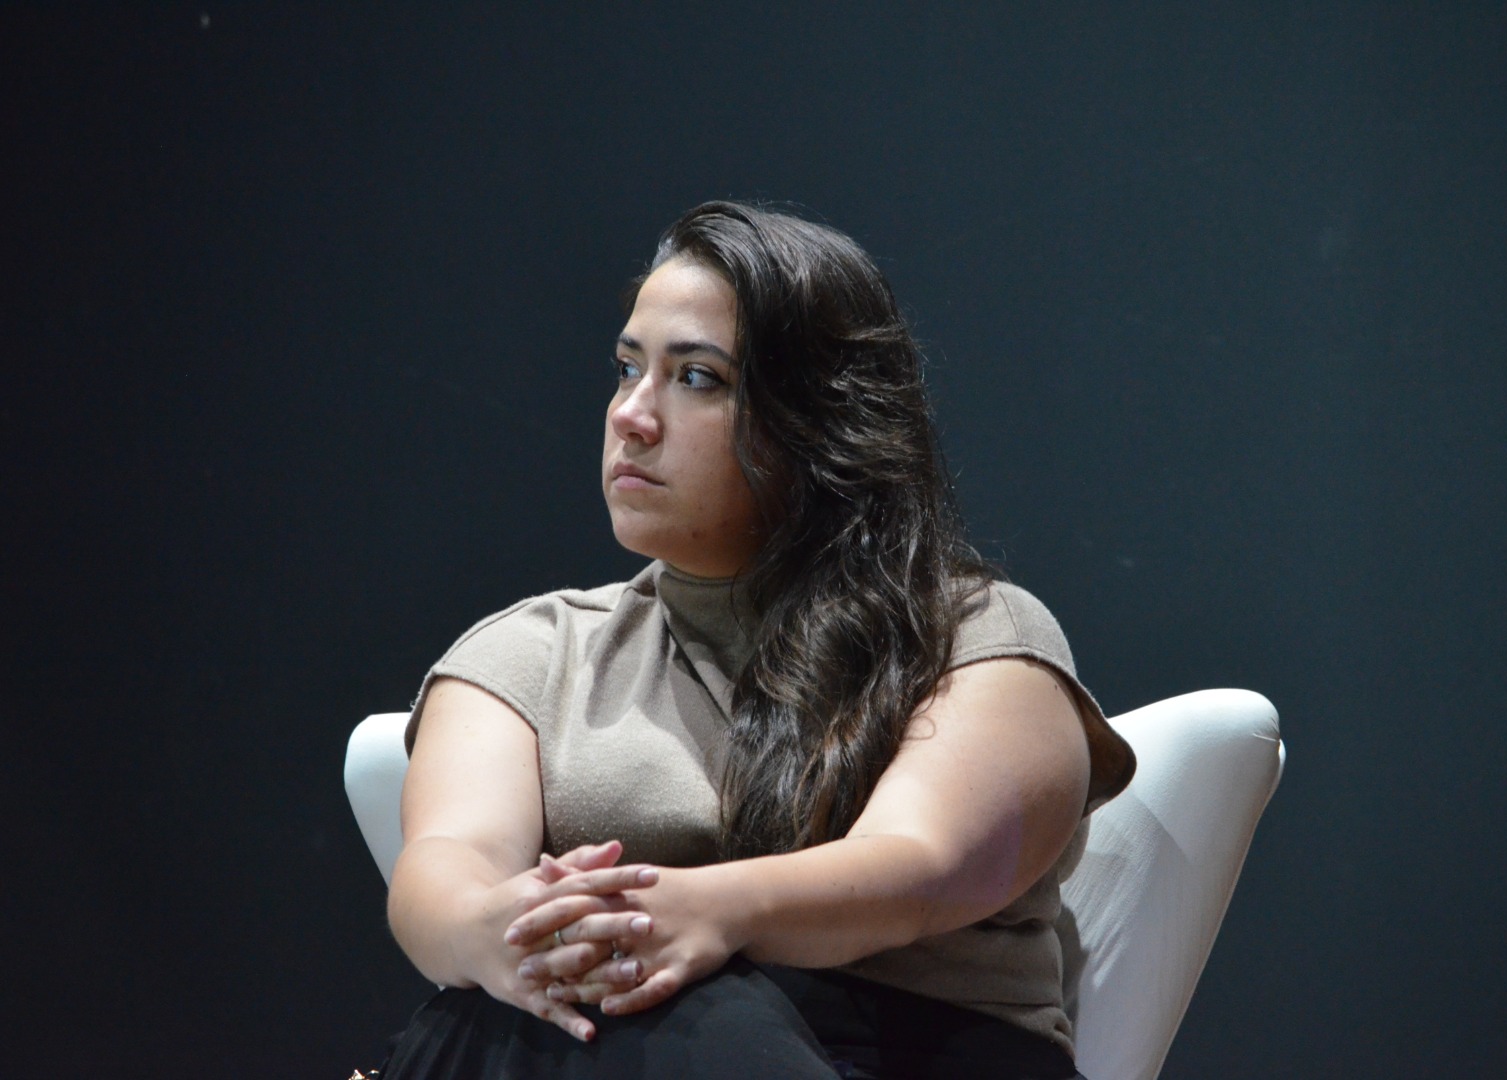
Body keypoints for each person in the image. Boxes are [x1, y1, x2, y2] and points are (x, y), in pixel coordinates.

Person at [377, 201, 1135, 1080]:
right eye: (627, 369)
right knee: (492, 1021)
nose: (632, 415)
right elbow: (449, 860)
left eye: (697, 378)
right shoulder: (531, 653)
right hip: (593, 1043)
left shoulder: (970, 634)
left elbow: (920, 865)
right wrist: (494, 930)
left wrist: (707, 913)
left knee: (684, 1014)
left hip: (899, 1052)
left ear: (820, 418)